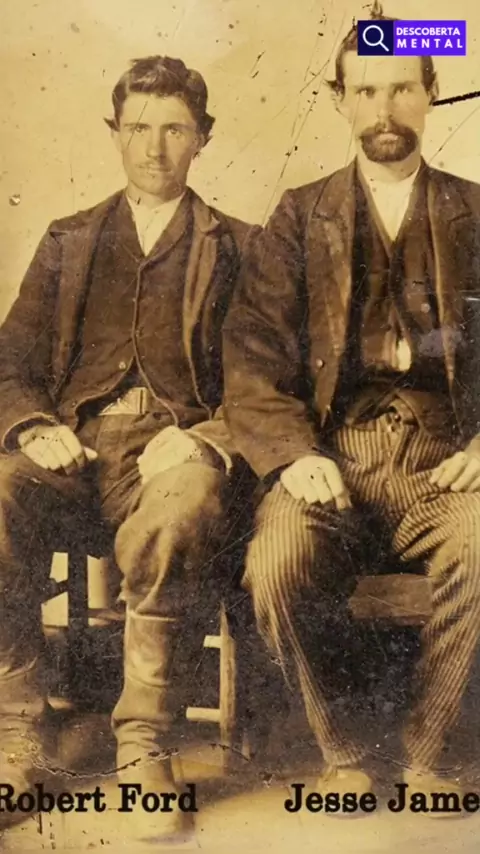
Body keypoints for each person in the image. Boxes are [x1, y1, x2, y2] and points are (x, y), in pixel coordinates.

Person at [222, 13, 480, 808]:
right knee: (274, 562)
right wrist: (294, 454)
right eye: (366, 90)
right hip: (329, 456)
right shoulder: (299, 216)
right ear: (338, 99)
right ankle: (341, 747)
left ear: (431, 92)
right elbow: (252, 353)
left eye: (402, 87)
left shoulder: (475, 211)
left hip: (442, 460)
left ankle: (431, 752)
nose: (384, 109)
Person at [0, 55, 253, 841]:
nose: (154, 147)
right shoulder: (69, 239)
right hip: (73, 449)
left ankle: (145, 745)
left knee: (179, 513)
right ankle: (14, 739)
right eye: (138, 128)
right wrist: (34, 426)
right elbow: (12, 360)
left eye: (174, 129)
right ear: (114, 132)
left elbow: (267, 380)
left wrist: (204, 438)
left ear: (203, 137)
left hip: (174, 455)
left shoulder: (239, 246)